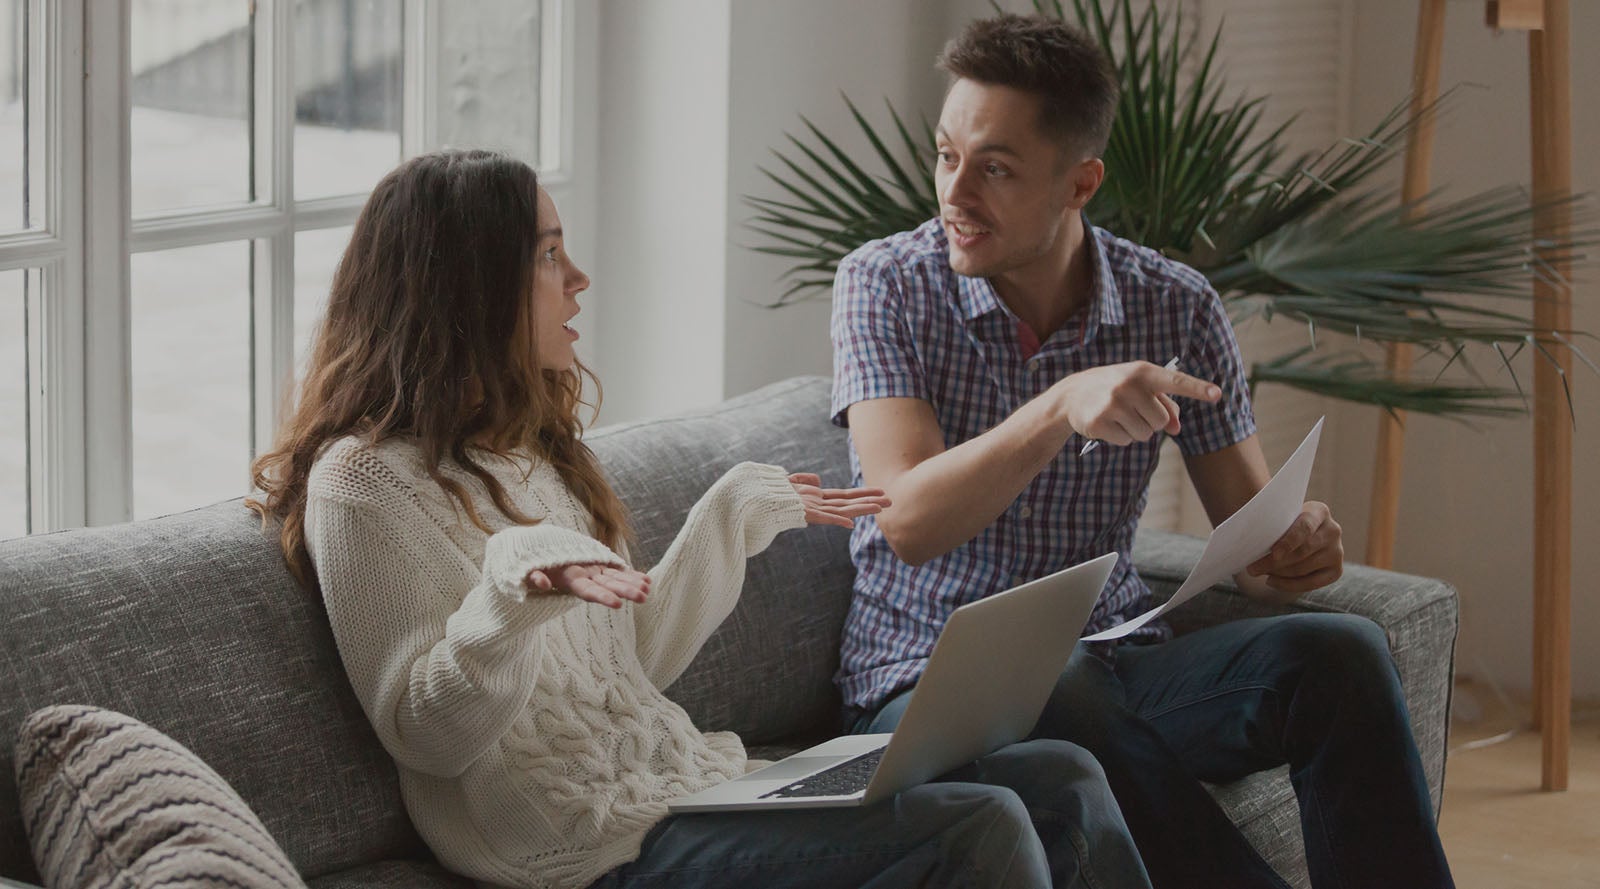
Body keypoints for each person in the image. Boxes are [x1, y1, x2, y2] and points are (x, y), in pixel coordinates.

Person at [247, 149, 1152, 889]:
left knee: (1063, 777)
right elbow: (425, 735)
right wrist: (510, 600)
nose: (580, 278)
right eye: (549, 254)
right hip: (591, 849)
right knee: (978, 826)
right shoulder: (362, 484)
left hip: (704, 787)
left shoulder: (533, 448)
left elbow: (627, 662)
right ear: (466, 286)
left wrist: (732, 517)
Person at [830, 14, 1455, 889]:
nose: (954, 192)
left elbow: (1254, 551)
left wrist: (1297, 543)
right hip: (922, 691)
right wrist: (1058, 406)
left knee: (1339, 655)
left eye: (995, 168)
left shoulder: (1176, 307)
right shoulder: (884, 284)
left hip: (1114, 663)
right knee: (1060, 681)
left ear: (1079, 182)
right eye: (946, 156)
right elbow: (905, 521)